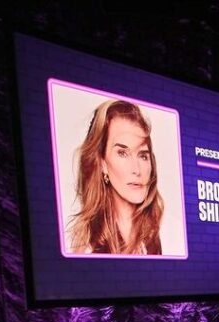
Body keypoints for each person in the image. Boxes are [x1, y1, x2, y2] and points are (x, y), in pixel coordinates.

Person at [67, 99, 164, 255]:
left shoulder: (152, 236)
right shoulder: (88, 246)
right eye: (122, 153)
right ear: (103, 164)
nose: (137, 169)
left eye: (143, 155)